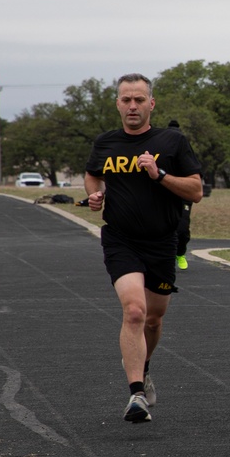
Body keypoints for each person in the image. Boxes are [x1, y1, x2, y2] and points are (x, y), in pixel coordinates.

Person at [84, 73, 203, 423]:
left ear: (151, 103)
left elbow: (196, 190)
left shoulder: (172, 141)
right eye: (126, 100)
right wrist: (97, 194)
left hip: (162, 241)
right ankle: (136, 394)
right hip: (121, 239)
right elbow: (93, 174)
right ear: (118, 104)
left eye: (139, 100)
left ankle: (144, 365)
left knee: (153, 318)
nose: (132, 106)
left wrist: (159, 174)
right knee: (134, 311)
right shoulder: (106, 143)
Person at [167, 119, 194, 270]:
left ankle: (180, 253)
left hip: (183, 194)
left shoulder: (186, 151)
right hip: (165, 193)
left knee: (182, 229)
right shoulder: (159, 151)